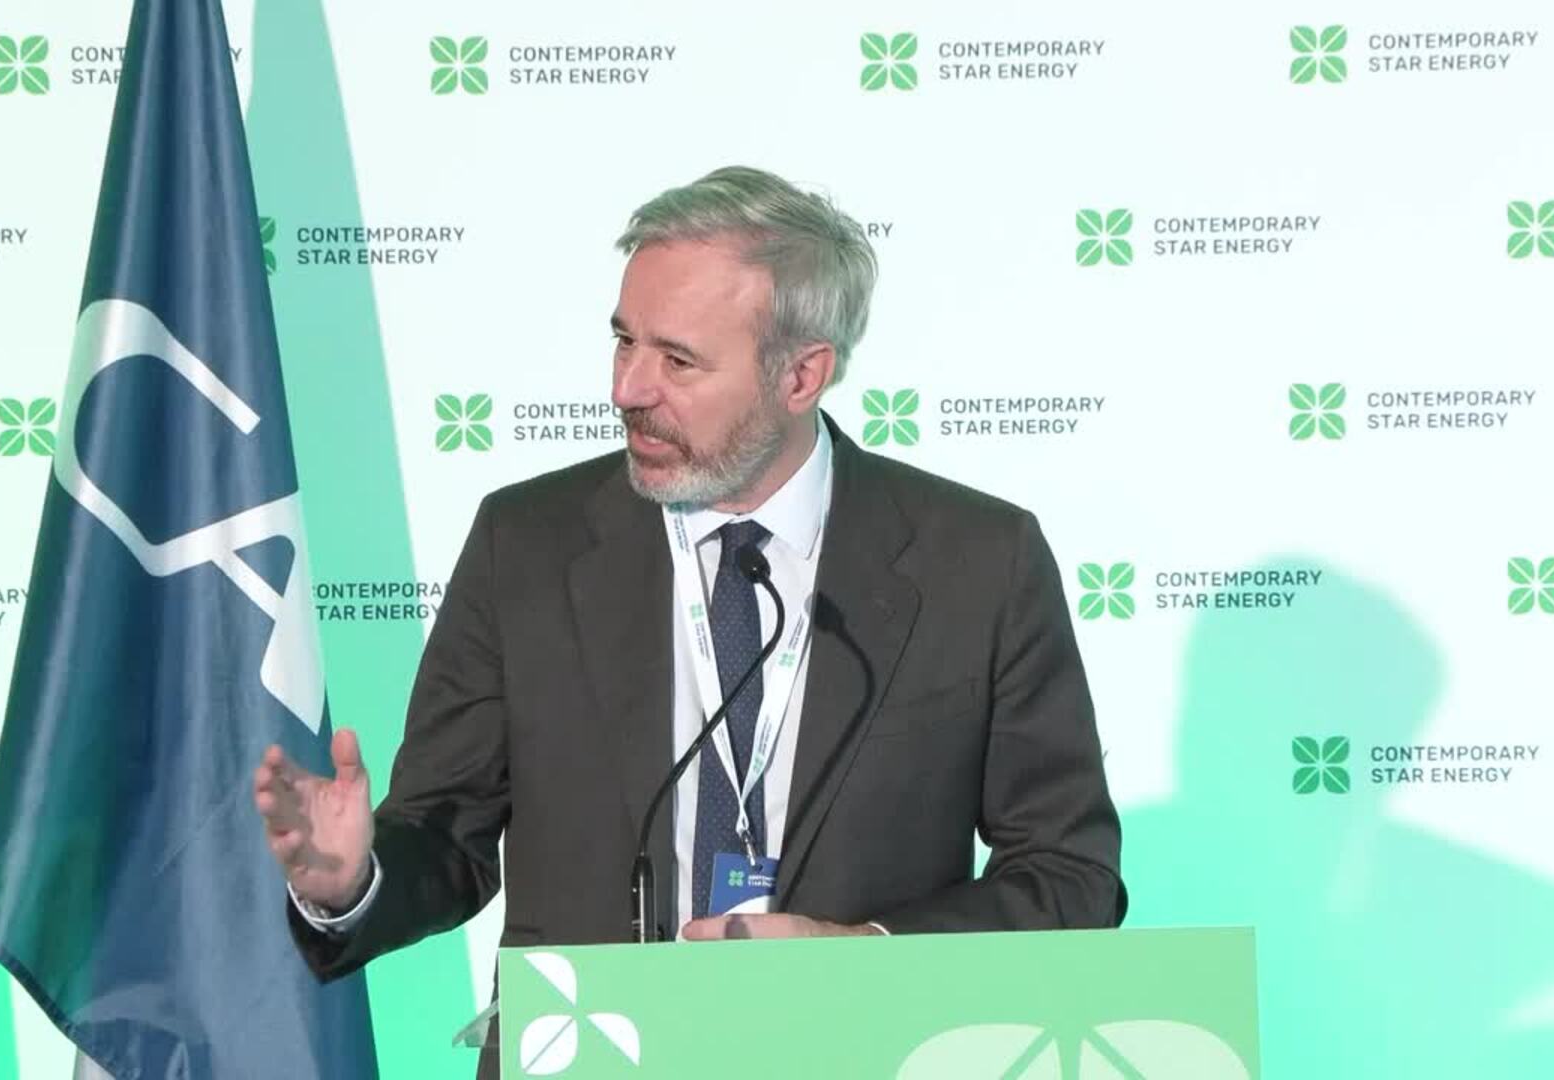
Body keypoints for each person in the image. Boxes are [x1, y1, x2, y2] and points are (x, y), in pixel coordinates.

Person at [252, 164, 1124, 1056]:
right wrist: (353, 881)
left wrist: (864, 953)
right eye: (623, 342)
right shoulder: (528, 544)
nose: (628, 388)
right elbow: (447, 835)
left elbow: (1070, 873)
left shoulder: (978, 562)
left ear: (801, 376)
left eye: (677, 360)